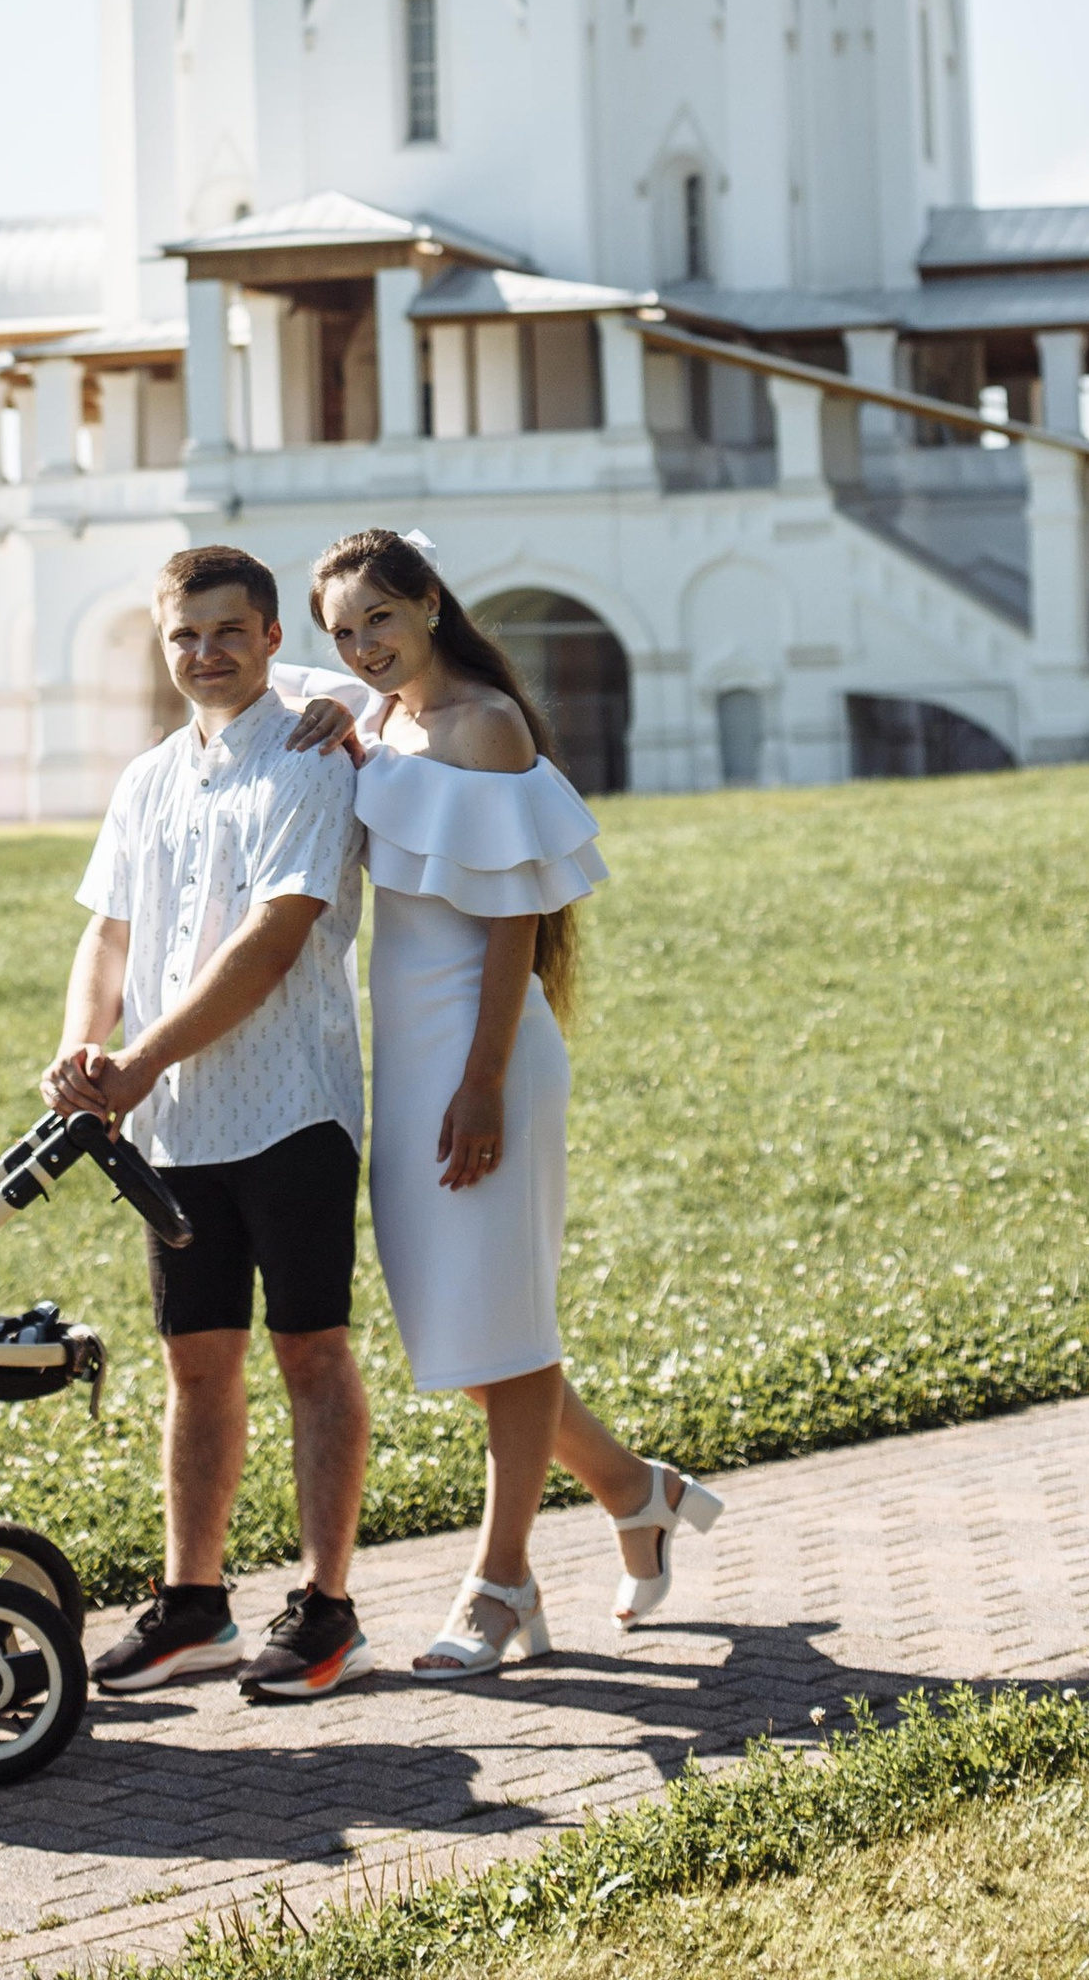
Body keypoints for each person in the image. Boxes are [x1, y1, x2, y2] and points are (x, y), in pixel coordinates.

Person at [306, 527, 721, 1676]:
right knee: (475, 1332)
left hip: (485, 1059)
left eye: (379, 619)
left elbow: (511, 926)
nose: (363, 647)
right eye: (343, 633)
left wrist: (482, 1081)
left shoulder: (484, 723)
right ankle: (638, 1494)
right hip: (410, 1065)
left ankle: (503, 1587)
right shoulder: (376, 724)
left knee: (505, 1326)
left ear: (430, 602)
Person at [44, 544, 374, 1704]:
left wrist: (135, 1062)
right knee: (195, 1365)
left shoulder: (309, 752)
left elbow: (273, 941)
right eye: (184, 635)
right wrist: (89, 1047)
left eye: (228, 631)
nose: (205, 653)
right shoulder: (146, 779)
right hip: (172, 1126)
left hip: (292, 1107)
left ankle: (327, 1610)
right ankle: (194, 1606)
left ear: (272, 635)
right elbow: (109, 931)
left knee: (310, 1352)